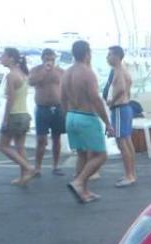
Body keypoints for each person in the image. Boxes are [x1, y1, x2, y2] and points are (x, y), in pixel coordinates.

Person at [61, 40, 114, 203]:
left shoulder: (66, 72)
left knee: (82, 154)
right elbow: (96, 99)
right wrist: (107, 122)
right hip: (86, 117)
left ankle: (83, 191)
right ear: (87, 53)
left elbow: (62, 98)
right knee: (101, 155)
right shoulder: (87, 72)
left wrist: (67, 117)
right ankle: (78, 182)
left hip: (71, 115)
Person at [0, 47, 35, 186]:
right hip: (24, 115)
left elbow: (11, 99)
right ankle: (23, 177)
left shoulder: (11, 75)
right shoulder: (23, 73)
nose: (1, 58)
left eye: (3, 56)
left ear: (11, 58)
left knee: (3, 146)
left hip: (14, 116)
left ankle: (28, 168)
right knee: (20, 147)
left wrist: (5, 119)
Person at [28, 48, 66, 176]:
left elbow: (67, 88)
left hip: (58, 108)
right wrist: (45, 70)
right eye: (47, 58)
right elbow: (31, 82)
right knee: (41, 140)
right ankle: (37, 167)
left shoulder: (60, 71)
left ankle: (55, 166)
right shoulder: (36, 70)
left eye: (52, 58)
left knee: (57, 138)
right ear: (42, 58)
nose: (50, 61)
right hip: (42, 108)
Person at [105, 45, 136, 187]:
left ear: (117, 56)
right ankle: (131, 173)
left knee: (122, 143)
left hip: (119, 108)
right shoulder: (124, 70)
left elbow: (122, 89)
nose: (107, 57)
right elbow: (127, 89)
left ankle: (129, 175)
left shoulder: (118, 71)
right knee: (127, 141)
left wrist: (112, 101)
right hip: (126, 107)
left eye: (110, 54)